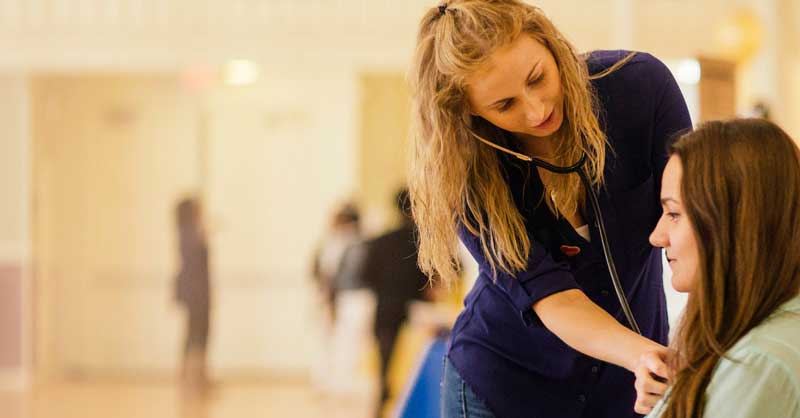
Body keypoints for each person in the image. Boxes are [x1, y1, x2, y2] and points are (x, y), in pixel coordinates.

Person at [407, 1, 692, 417]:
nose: (537, 109)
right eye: (504, 105)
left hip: (623, 389)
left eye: (538, 78)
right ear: (469, 112)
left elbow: (699, 217)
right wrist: (649, 357)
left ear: (550, 42)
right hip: (504, 386)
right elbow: (555, 299)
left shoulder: (638, 89)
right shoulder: (464, 172)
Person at [634, 119, 800, 418]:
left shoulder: (758, 364)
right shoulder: (752, 346)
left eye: (673, 213)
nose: (656, 237)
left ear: (732, 223)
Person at [358, 188, 432, 418]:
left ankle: (382, 404)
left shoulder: (379, 242)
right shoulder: (423, 240)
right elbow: (432, 277)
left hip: (385, 308)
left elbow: (365, 275)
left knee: (385, 362)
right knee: (412, 365)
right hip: (415, 311)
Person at [173, 196, 212, 396]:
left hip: (201, 292)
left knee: (200, 334)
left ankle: (198, 377)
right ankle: (190, 378)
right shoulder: (187, 232)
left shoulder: (192, 231)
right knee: (194, 335)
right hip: (195, 293)